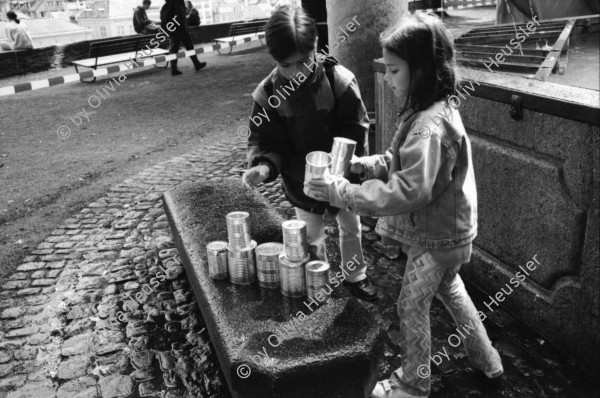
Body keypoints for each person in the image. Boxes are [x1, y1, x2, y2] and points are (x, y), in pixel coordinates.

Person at [304, 13, 504, 398]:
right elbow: (399, 160)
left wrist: (342, 193)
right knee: (453, 293)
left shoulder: (429, 123)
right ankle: (488, 361)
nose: (388, 78)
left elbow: (409, 189)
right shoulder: (428, 110)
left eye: (394, 70)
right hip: (447, 234)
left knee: (411, 306)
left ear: (424, 70)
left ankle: (413, 384)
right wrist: (364, 165)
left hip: (436, 238)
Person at [242, 6, 377, 302]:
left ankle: (356, 275)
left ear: (316, 46)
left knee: (350, 226)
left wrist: (341, 175)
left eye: (303, 62)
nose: (295, 73)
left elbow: (355, 129)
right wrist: (263, 167)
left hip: (341, 176)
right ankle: (318, 280)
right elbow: (267, 142)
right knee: (310, 234)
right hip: (300, 179)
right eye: (285, 65)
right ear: (274, 59)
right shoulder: (268, 96)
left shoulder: (339, 81)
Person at [160, 0, 206, 76]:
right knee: (189, 46)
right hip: (180, 29)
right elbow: (181, 15)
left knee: (174, 49)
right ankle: (196, 64)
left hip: (172, 29)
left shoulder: (168, 4)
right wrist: (184, 25)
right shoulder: (178, 3)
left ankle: (174, 69)